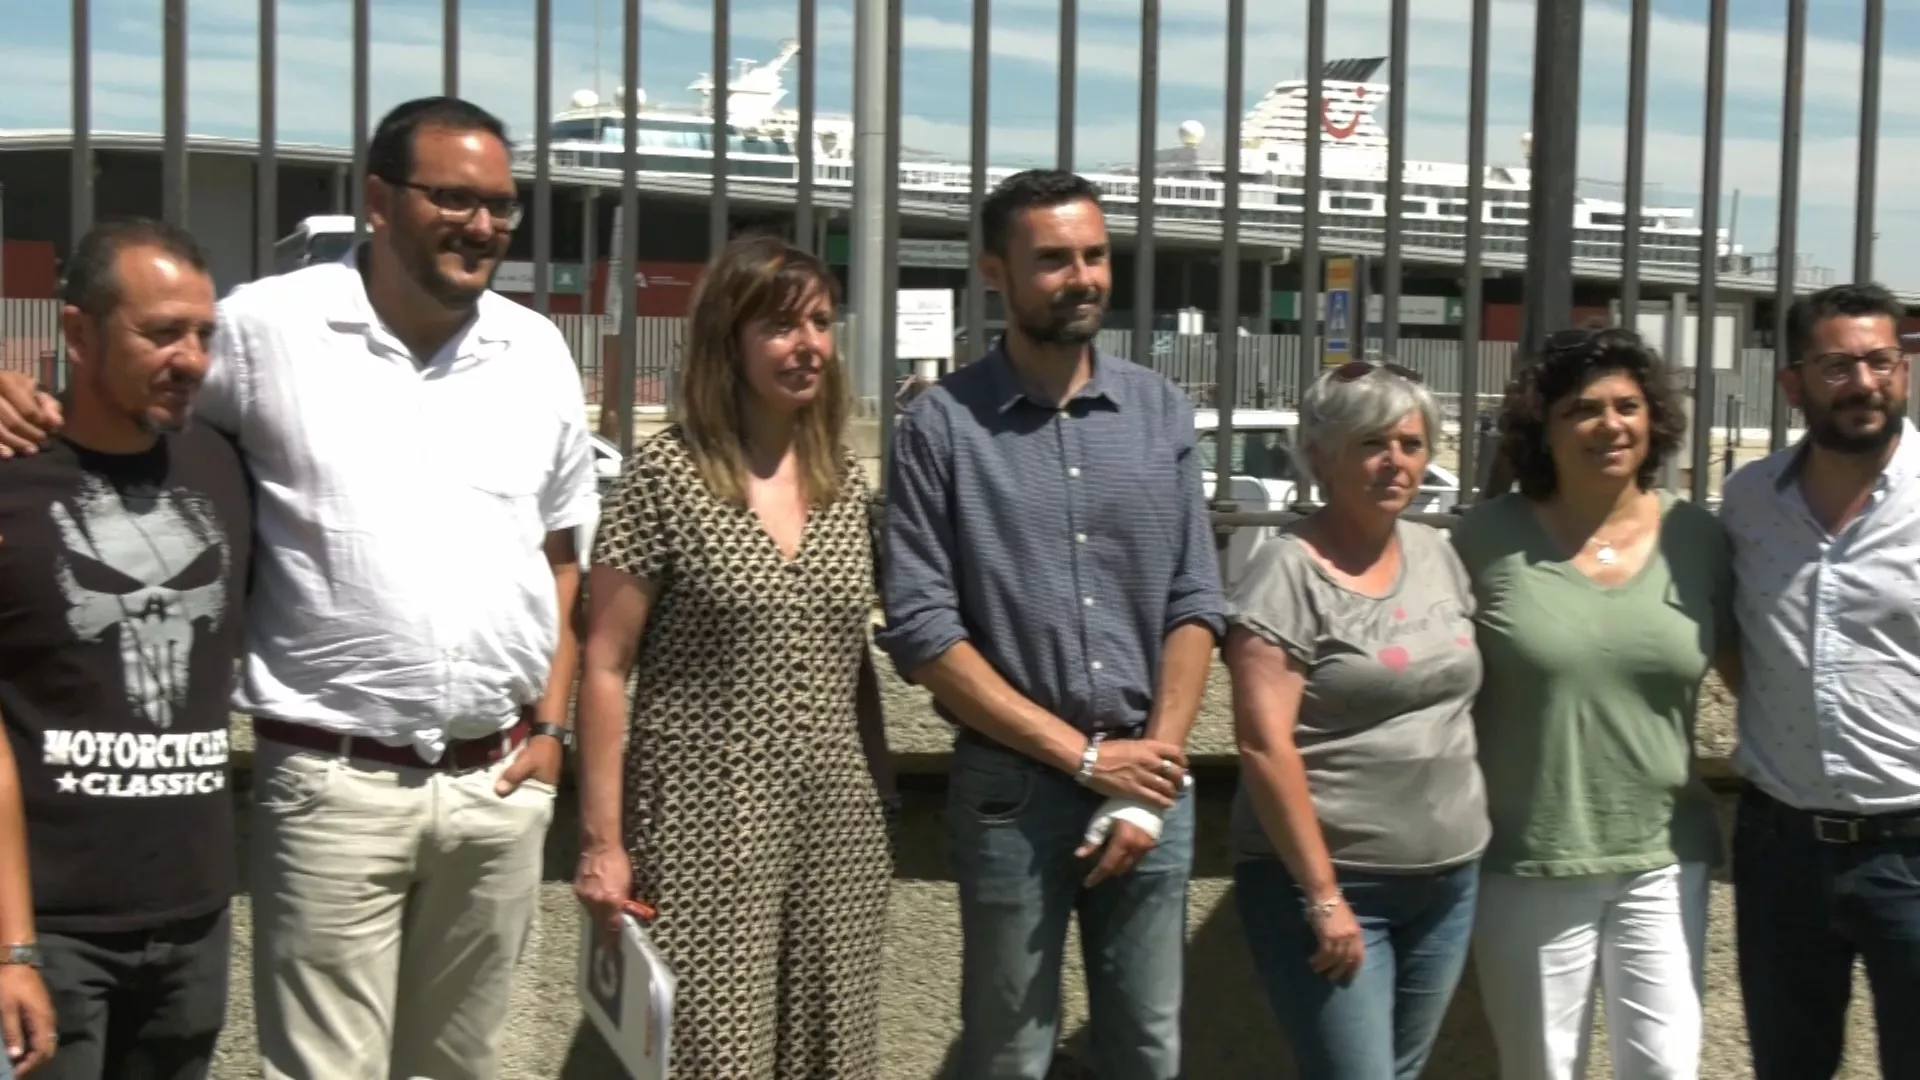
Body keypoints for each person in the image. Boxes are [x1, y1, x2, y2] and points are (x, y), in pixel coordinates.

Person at [0, 97, 598, 1079]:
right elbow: (126, 400)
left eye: (502, 204)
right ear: (379, 201)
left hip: (496, 788)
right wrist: (17, 399)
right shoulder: (264, 327)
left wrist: (550, 733)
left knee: (460, 1068)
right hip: (332, 785)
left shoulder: (536, 351)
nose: (483, 225)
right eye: (454, 198)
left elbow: (560, 554)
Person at [876, 168, 1225, 1080]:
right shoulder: (940, 427)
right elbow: (923, 629)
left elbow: (1195, 598)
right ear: (995, 272)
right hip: (1014, 792)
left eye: (1096, 256)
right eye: (1054, 260)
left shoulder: (1159, 410)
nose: (1083, 278)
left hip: (1153, 776)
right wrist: (1084, 758)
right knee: (1011, 1053)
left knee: (1148, 1047)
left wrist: (1149, 773)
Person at [571, 234, 894, 1079]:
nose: (808, 344)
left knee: (833, 1057)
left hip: (836, 826)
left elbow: (850, 655)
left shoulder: (842, 482)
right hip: (704, 827)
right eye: (780, 326)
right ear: (729, 339)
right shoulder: (666, 477)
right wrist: (603, 843)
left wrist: (879, 789)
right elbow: (604, 665)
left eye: (820, 322)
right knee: (718, 1059)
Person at [1450, 326, 1737, 1080]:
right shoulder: (1485, 539)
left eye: (1626, 406)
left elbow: (1755, 674)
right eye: (1581, 409)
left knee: (1667, 1067)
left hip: (1664, 855)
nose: (1609, 425)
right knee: (1543, 1068)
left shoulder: (1698, 538)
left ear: (1654, 419)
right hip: (1529, 858)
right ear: (1542, 430)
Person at [0, 219, 250, 1079]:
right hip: (52, 933)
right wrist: (13, 948)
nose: (192, 359)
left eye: (204, 334)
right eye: (162, 333)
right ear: (78, 333)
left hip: (193, 923)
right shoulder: (14, 476)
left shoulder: (222, 466)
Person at [1223, 360, 1487, 1080]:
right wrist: (1323, 897)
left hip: (1448, 878)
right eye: (1371, 443)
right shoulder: (1286, 573)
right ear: (1321, 457)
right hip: (1336, 887)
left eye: (1411, 444)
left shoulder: (1437, 553)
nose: (1395, 461)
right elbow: (1263, 744)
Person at [1719, 283, 1920, 1080]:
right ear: (1793, 383)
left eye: (1881, 361)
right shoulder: (1747, 500)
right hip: (1781, 851)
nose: (1864, 383)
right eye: (1837, 367)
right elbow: (1731, 636)